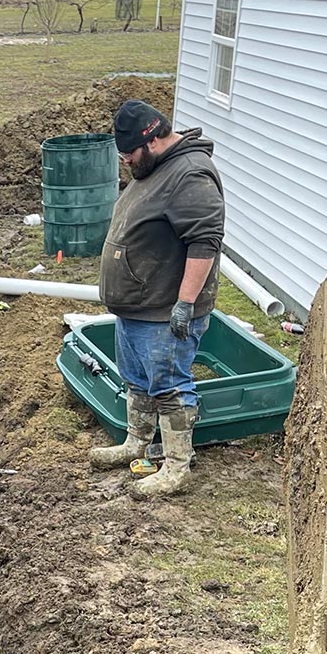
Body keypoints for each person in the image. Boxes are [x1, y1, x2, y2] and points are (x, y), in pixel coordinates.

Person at [91, 99, 224, 497]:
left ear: (150, 141)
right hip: (138, 305)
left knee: (168, 386)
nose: (126, 161)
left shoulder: (189, 175)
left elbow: (205, 241)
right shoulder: (157, 166)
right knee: (138, 380)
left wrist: (185, 303)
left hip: (165, 309)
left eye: (129, 153)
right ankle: (138, 443)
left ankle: (177, 467)